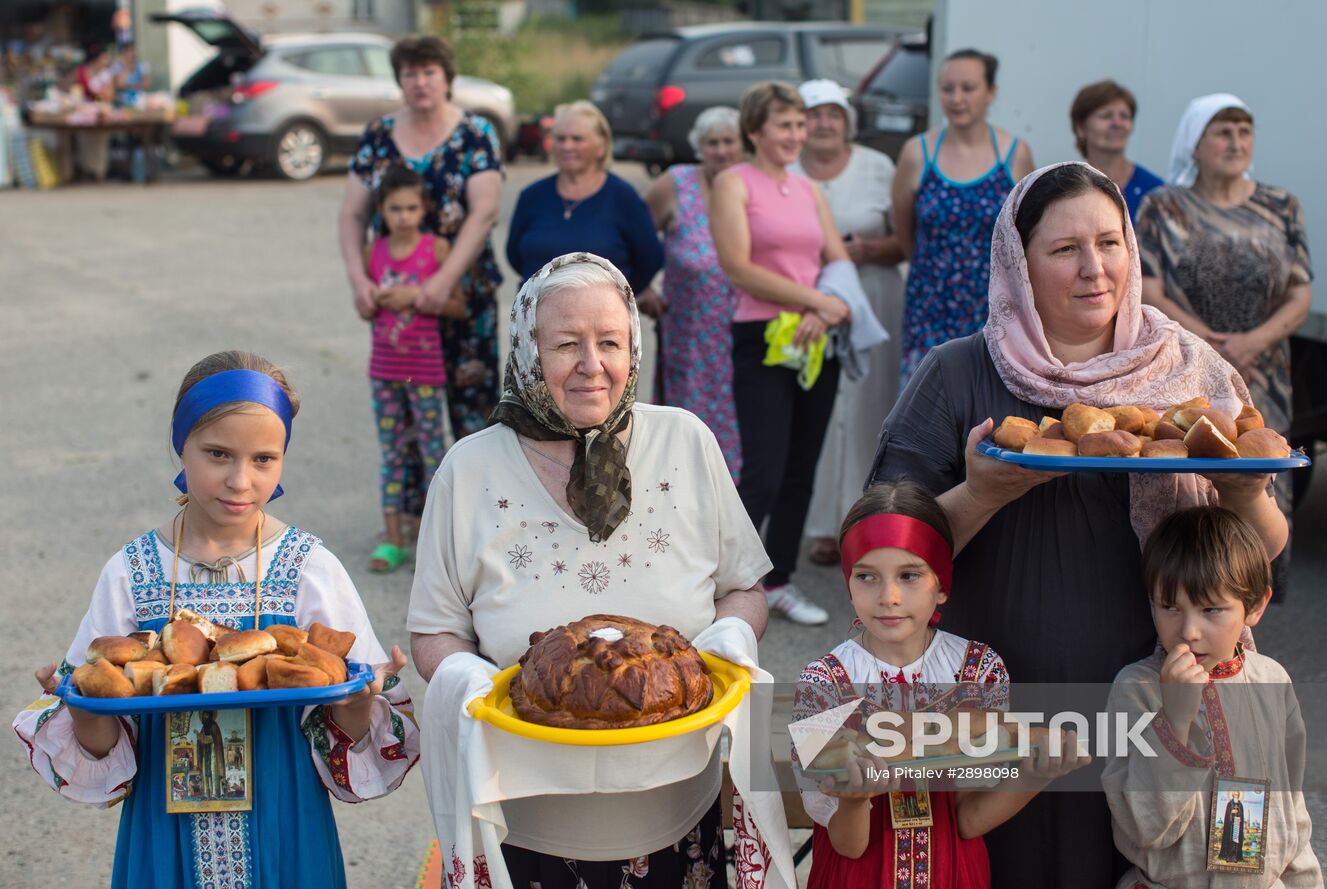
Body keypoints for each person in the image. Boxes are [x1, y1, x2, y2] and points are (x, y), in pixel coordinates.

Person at [869, 161, 1288, 888]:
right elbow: (880, 551)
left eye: (1110, 242)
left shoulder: (1189, 373)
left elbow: (1264, 554)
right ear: (1017, 263)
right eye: (1065, 250)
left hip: (1166, 704)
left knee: (1155, 853)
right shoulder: (961, 375)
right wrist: (984, 493)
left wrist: (1246, 495)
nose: (1095, 268)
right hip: (999, 720)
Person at [407, 253, 772, 889]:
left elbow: (744, 586)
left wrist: (725, 641)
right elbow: (435, 632)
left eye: (610, 342)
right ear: (526, 349)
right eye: (566, 344)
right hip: (526, 823)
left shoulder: (685, 440)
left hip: (679, 814)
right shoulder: (469, 469)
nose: (591, 365)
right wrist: (468, 679)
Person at [14, 350, 419, 889]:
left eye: (263, 459)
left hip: (285, 822)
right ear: (180, 444)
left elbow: (347, 732)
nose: (240, 480)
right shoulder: (132, 572)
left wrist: (361, 701)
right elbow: (100, 746)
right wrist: (82, 705)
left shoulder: (310, 569)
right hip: (165, 834)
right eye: (217, 454)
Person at [793, 481, 1091, 889]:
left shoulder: (978, 671)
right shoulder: (824, 685)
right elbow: (847, 846)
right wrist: (854, 799)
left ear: (943, 584)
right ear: (848, 585)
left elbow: (967, 819)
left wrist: (1036, 776)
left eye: (909, 575)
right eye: (867, 576)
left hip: (954, 873)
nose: (889, 596)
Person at [1136, 94, 1312, 600]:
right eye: (1222, 131)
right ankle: (1189, 606)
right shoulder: (1164, 206)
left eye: (1243, 131)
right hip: (1186, 371)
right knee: (1192, 487)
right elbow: (1149, 287)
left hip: (1263, 372)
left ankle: (1252, 603)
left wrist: (1251, 342)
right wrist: (1212, 348)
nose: (1236, 142)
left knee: (1262, 481)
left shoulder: (1281, 205)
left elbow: (1300, 292)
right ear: (1196, 140)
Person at [1102, 506, 1323, 888]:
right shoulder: (1136, 689)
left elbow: (1291, 807)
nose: (1188, 630)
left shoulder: (1270, 679)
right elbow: (1143, 827)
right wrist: (1175, 721)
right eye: (1170, 607)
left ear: (1255, 606)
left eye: (1211, 609)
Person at [341, 34, 504, 538]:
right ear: (400, 80)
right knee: (406, 417)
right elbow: (351, 212)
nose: (420, 82)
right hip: (399, 312)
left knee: (470, 409)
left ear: (446, 75)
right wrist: (359, 281)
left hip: (461, 300)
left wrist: (441, 280)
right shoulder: (378, 135)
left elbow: (484, 212)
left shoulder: (475, 133)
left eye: (429, 71)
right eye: (410, 73)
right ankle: (414, 521)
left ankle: (481, 524)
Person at [710, 80, 852, 625]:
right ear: (755, 131)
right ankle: (725, 582)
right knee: (765, 469)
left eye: (801, 124)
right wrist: (815, 299)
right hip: (763, 336)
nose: (799, 134)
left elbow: (837, 259)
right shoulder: (734, 183)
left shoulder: (809, 188)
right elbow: (739, 267)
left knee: (801, 469)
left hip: (816, 337)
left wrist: (824, 308)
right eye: (786, 125)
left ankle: (781, 581)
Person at [792, 78, 907, 566]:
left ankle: (867, 514)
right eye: (813, 114)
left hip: (873, 297)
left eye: (833, 115)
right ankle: (819, 525)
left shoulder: (879, 167)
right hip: (803, 302)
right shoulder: (785, 170)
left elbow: (906, 239)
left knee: (868, 408)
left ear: (848, 122)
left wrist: (867, 249)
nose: (823, 124)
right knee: (812, 408)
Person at [892, 48, 1034, 384]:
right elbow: (904, 233)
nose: (957, 98)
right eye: (948, 88)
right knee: (926, 410)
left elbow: (1027, 232)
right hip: (929, 308)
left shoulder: (1015, 154)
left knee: (989, 409)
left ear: (990, 92)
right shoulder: (917, 154)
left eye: (968, 88)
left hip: (994, 309)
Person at [362, 164, 463, 572]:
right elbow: (366, 306)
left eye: (410, 208)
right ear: (382, 211)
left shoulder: (436, 249)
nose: (403, 216)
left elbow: (457, 305)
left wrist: (416, 296)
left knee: (432, 451)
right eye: (394, 209)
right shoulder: (374, 252)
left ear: (423, 209)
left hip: (424, 372)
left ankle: (436, 539)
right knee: (392, 454)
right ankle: (392, 538)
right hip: (384, 370)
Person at [643, 106, 744, 478]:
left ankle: (736, 504)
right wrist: (641, 287)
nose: (721, 150)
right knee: (689, 423)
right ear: (699, 147)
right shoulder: (677, 182)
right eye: (712, 143)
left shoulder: (752, 182)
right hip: (690, 335)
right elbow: (635, 239)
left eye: (729, 141)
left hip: (744, 331)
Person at [506, 101, 664, 295]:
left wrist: (621, 296)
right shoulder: (531, 196)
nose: (567, 146)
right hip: (536, 317)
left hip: (602, 317)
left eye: (577, 139)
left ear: (601, 146)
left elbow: (650, 259)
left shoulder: (623, 198)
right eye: (560, 138)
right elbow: (514, 255)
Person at [1068, 80, 1164, 221]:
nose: (1117, 124)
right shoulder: (1066, 187)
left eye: (1124, 116)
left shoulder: (1155, 191)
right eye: (1106, 116)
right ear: (1081, 128)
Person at [74, 45, 115, 181]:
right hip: (84, 110)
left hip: (102, 110)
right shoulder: (83, 71)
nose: (105, 61)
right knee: (84, 140)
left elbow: (109, 93)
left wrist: (101, 95)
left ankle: (99, 171)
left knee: (101, 141)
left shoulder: (106, 73)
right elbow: (78, 89)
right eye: (103, 58)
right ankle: (86, 169)